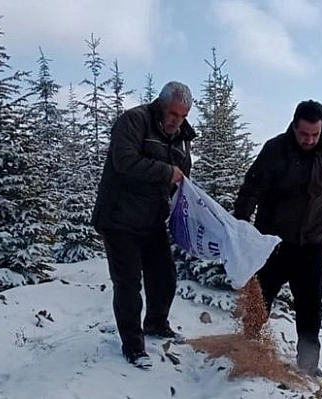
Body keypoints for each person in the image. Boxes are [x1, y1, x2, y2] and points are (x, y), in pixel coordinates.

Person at [233, 100, 322, 376]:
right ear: (294, 126)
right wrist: (240, 223)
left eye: (315, 134)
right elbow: (251, 188)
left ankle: (308, 365)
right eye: (304, 134)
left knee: (310, 307)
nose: (309, 139)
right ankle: (248, 350)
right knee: (260, 298)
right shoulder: (275, 149)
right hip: (274, 242)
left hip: (312, 244)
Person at [91, 81, 195, 370]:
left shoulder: (182, 137)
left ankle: (156, 324)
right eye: (173, 113)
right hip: (118, 216)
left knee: (164, 277)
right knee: (128, 284)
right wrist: (167, 173)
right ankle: (133, 346)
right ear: (160, 105)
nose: (177, 120)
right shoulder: (134, 120)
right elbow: (124, 161)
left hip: (152, 218)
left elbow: (181, 177)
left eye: (183, 115)